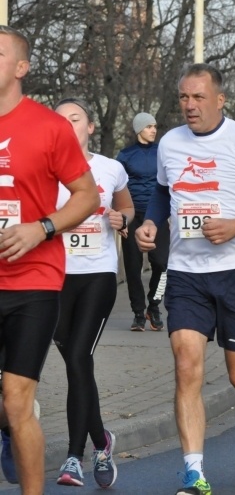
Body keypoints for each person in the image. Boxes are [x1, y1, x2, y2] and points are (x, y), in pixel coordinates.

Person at [134, 63, 235, 495]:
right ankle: (194, 472)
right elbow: (164, 192)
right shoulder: (170, 142)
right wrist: (151, 223)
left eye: (198, 97)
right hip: (187, 274)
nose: (189, 105)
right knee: (186, 366)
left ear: (219, 100)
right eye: (184, 97)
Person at [0, 26, 100, 494]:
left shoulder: (48, 127)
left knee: (19, 401)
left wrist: (41, 228)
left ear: (22, 68)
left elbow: (87, 196)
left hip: (32, 282)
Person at [52, 98, 135, 487]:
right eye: (59, 120)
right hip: (52, 278)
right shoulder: (42, 171)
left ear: (89, 126)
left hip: (97, 275)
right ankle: (102, 441)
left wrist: (123, 220)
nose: (67, 126)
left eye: (75, 119)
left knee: (79, 356)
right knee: (77, 364)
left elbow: (127, 211)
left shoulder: (110, 169)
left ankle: (74, 457)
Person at [117, 111, 170, 331]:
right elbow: (116, 187)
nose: (154, 130)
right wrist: (121, 218)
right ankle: (139, 313)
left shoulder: (163, 153)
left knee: (162, 264)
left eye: (155, 126)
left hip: (157, 216)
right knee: (132, 267)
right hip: (134, 216)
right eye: (149, 127)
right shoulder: (125, 155)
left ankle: (154, 305)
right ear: (139, 129)